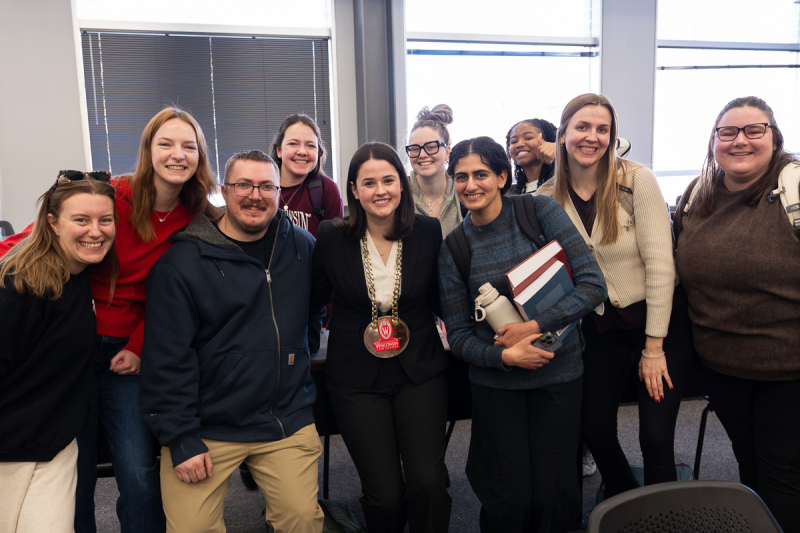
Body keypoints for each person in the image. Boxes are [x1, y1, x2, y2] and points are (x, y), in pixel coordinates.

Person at [0, 107, 219, 532]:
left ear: (199, 156)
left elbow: (178, 299)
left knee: (137, 473)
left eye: (188, 146)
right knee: (72, 477)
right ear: (147, 150)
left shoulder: (198, 217)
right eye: (166, 144)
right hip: (72, 348)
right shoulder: (112, 196)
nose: (178, 154)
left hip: (130, 354)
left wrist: (139, 345)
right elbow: (39, 236)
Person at [140, 149, 325, 533]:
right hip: (208, 427)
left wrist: (296, 369)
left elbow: (311, 318)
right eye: (244, 185)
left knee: (303, 521)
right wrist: (182, 438)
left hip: (283, 420)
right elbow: (166, 360)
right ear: (224, 190)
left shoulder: (302, 248)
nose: (255, 196)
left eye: (266, 187)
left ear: (280, 193)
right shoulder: (181, 264)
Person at [438, 136, 606, 532]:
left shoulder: (539, 212)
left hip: (558, 376)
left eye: (481, 174)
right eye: (460, 177)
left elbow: (592, 285)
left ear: (501, 176)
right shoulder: (455, 248)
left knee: (555, 492)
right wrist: (504, 357)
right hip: (497, 387)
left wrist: (532, 327)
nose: (471, 185)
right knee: (506, 495)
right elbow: (459, 335)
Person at [537, 93, 693, 499]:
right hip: (601, 327)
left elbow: (661, 263)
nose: (592, 137)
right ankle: (627, 500)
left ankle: (661, 519)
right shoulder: (544, 197)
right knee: (593, 427)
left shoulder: (636, 179)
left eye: (602, 129)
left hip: (658, 324)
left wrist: (654, 347)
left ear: (612, 135)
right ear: (564, 133)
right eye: (583, 127)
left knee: (656, 438)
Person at [673, 96, 800, 531]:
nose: (740, 140)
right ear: (714, 141)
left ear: (774, 136)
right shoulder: (697, 194)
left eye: (753, 130)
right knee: (749, 464)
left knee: (781, 472)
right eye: (728, 132)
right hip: (722, 366)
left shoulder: (793, 189)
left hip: (788, 367)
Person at [311, 142, 451, 532]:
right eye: (368, 183)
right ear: (354, 190)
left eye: (388, 180)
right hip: (356, 378)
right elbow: (314, 301)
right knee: (385, 496)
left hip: (419, 371)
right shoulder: (331, 235)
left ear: (402, 184)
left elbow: (443, 298)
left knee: (428, 483)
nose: (380, 190)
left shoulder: (427, 231)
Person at [0, 173, 117, 533]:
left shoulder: (79, 275)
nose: (95, 232)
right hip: (9, 450)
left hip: (55, 446)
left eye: (105, 220)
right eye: (81, 220)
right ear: (52, 223)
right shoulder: (18, 284)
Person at [271, 113, 344, 235]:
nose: (302, 152)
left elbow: (335, 245)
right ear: (279, 150)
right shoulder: (262, 188)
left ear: (319, 153)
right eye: (293, 143)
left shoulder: (328, 189)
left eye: (310, 145)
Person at [406, 104, 463, 236]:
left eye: (431, 147)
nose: (422, 155)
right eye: (415, 148)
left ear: (447, 152)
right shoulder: (400, 193)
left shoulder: (462, 191)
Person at [506, 118, 558, 194]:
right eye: (514, 141)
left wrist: (559, 149)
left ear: (548, 141)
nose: (519, 144)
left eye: (528, 138)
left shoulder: (565, 182)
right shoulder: (509, 194)